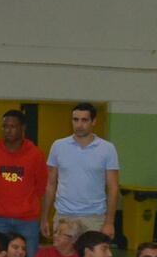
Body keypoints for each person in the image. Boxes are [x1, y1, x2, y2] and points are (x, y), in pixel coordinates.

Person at [44, 103, 121, 241]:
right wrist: (45, 218)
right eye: (75, 119)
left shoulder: (107, 149)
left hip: (94, 218)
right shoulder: (58, 146)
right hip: (64, 216)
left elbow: (113, 187)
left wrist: (109, 222)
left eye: (84, 120)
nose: (79, 124)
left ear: (94, 122)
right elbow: (50, 184)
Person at [0, 110, 46, 243]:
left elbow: (41, 186)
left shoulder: (36, 155)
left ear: (23, 128)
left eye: (12, 127)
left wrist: (26, 205)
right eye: (5, 126)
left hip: (27, 220)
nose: (8, 130)